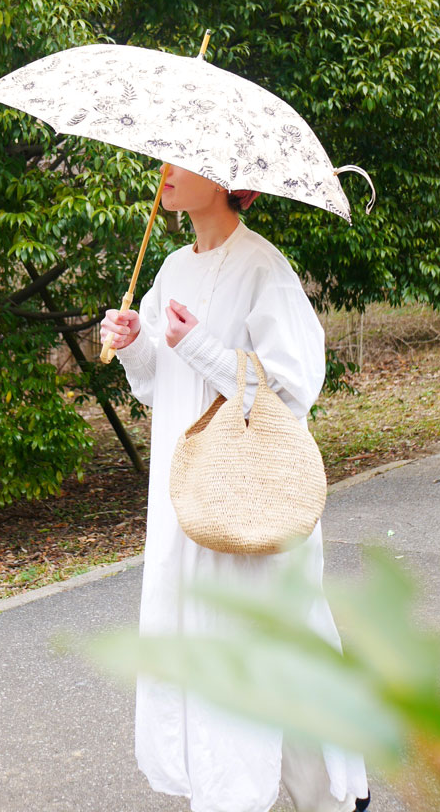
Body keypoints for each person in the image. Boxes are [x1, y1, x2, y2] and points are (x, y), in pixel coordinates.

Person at [100, 164, 370, 812]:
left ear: (224, 179)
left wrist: (203, 347)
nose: (163, 171)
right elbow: (160, 388)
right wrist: (135, 345)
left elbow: (294, 386)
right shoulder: (168, 270)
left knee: (267, 646)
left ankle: (325, 795)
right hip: (187, 501)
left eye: (181, 160)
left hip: (251, 502)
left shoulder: (262, 269)